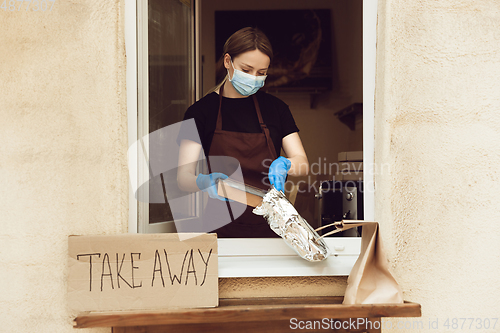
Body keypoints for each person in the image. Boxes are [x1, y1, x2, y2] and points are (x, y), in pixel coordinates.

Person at [177, 27, 309, 238]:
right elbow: (183, 178)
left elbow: (302, 163)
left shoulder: (276, 109)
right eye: (246, 70)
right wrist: (203, 181)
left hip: (272, 225)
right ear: (228, 62)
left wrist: (286, 164)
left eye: (261, 73)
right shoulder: (200, 112)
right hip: (219, 228)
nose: (254, 78)